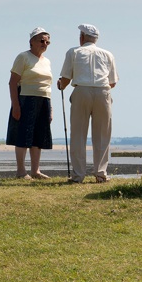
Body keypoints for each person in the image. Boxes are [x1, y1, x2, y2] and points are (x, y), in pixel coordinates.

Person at [57, 24, 118, 184]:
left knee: (78, 134)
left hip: (81, 91)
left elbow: (65, 79)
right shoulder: (108, 54)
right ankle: (101, 173)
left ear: (82, 37)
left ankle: (78, 175)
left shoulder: (73, 52)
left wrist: (60, 85)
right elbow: (112, 82)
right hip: (103, 91)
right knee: (102, 135)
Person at [6, 27, 53, 179]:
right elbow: (13, 82)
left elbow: (48, 86)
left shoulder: (47, 61)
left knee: (38, 136)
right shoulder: (23, 57)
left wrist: (50, 109)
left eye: (47, 42)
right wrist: (15, 105)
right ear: (32, 41)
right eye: (41, 41)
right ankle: (21, 171)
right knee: (23, 135)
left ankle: (35, 171)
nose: (44, 44)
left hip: (44, 100)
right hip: (26, 99)